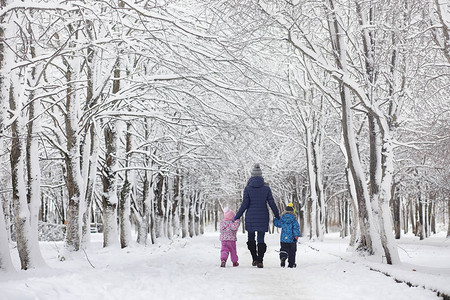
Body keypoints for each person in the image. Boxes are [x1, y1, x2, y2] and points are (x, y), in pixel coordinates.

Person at [234, 163, 280, 268]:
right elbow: (272, 203)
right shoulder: (266, 188)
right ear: (261, 176)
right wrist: (277, 215)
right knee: (261, 239)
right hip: (263, 216)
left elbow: (244, 205)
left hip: (250, 217)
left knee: (251, 238)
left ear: (251, 176)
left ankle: (254, 258)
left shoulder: (247, 189)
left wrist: (237, 216)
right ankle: (260, 260)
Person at [273, 203, 300, 268]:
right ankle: (291, 264)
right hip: (292, 239)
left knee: (283, 249)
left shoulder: (282, 219)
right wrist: (296, 235)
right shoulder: (294, 220)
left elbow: (277, 224)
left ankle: (283, 257)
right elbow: (296, 228)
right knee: (292, 252)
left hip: (283, 239)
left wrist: (275, 219)